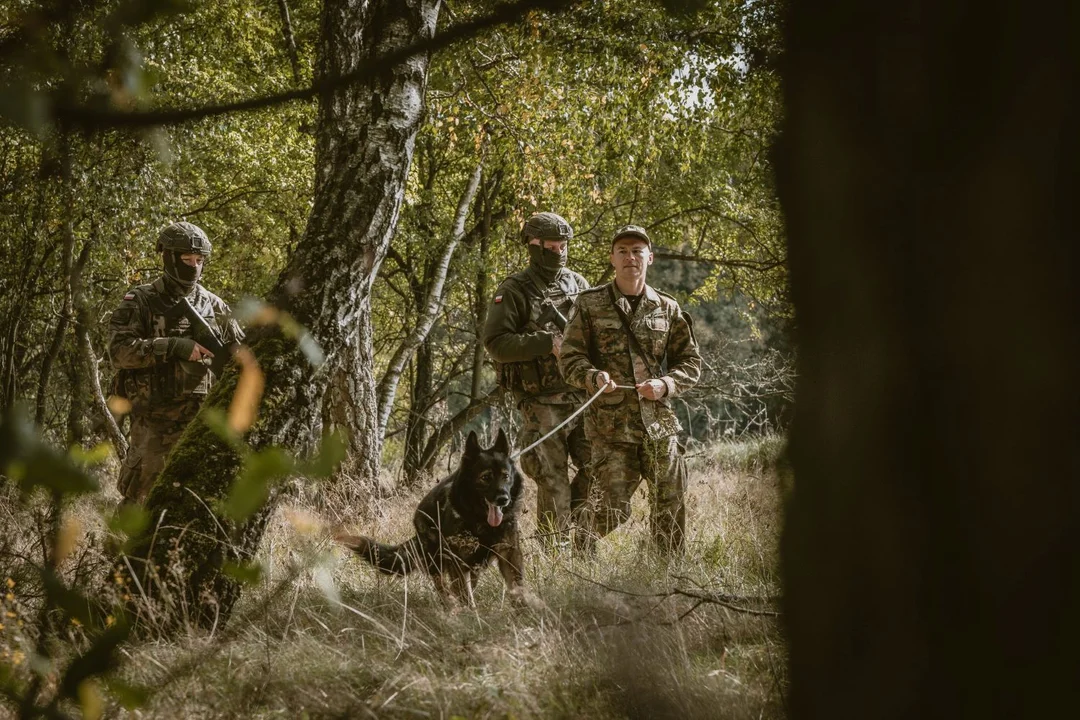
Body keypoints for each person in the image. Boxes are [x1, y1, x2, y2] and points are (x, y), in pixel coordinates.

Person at [559, 225, 701, 554]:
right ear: (612, 258)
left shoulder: (667, 307)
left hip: (657, 424)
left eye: (637, 251)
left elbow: (690, 363)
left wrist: (665, 384)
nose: (630, 257)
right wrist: (594, 377)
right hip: (610, 428)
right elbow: (569, 359)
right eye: (622, 251)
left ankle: (669, 576)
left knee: (671, 505)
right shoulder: (590, 304)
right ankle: (579, 558)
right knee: (611, 510)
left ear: (649, 258)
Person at [108, 221, 243, 504]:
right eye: (186, 259)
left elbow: (241, 357)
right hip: (154, 425)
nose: (194, 266)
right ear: (168, 258)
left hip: (202, 423)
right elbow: (119, 351)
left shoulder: (215, 306)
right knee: (141, 504)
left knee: (197, 502)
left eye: (199, 260)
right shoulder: (142, 300)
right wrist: (173, 346)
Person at [483, 211, 592, 548]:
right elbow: (496, 344)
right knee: (552, 477)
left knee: (598, 469)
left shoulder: (579, 284)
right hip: (542, 400)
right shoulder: (514, 290)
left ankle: (585, 544)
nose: (559, 252)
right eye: (551, 246)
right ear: (532, 246)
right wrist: (547, 344)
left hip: (583, 394)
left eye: (564, 246)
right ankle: (555, 553)